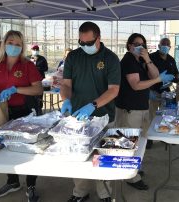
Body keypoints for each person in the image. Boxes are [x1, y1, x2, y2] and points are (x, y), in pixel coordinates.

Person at [60, 21, 120, 202]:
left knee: (104, 157)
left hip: (104, 116)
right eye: (81, 43)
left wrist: (93, 105)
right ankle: (80, 192)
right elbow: (66, 84)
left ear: (98, 38)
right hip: (79, 118)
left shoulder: (110, 58)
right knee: (79, 155)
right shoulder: (73, 57)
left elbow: (113, 89)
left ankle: (105, 194)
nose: (85, 46)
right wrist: (67, 99)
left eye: (88, 43)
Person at [0, 30, 43, 202]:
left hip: (26, 113)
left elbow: (38, 89)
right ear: (4, 43)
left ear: (22, 47)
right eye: (10, 42)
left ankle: (31, 185)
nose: (13, 47)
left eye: (17, 44)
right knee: (5, 147)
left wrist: (16, 89)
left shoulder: (27, 65)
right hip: (4, 113)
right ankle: (13, 181)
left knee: (29, 150)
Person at [115, 33, 174, 190]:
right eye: (136, 44)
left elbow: (154, 74)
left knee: (140, 142)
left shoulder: (140, 60)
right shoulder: (128, 61)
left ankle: (135, 169)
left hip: (141, 107)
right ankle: (131, 177)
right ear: (129, 46)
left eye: (142, 44)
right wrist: (157, 80)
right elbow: (136, 85)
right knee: (128, 143)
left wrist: (147, 60)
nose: (139, 46)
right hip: (129, 109)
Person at [148, 37, 179, 148]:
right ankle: (149, 139)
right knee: (150, 116)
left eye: (167, 44)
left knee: (166, 116)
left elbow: (176, 75)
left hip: (166, 92)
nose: (165, 46)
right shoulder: (151, 57)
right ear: (159, 46)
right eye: (163, 44)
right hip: (152, 91)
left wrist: (173, 78)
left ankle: (165, 137)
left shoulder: (171, 59)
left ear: (170, 47)